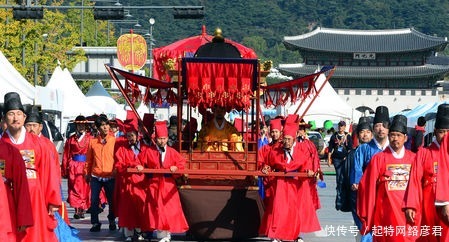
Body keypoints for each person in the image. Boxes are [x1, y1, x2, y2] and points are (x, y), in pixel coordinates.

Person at [1, 92, 61, 242]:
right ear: (4, 118)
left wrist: (52, 200)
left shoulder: (38, 144)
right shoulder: (1, 145)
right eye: (11, 114)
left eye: (19, 114)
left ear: (24, 117)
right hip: (6, 198)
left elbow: (48, 172)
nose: (15, 118)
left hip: (34, 197)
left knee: (34, 235)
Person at [357, 114, 418, 242]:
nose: (395, 138)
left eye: (399, 135)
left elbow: (418, 186)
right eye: (392, 135)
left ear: (405, 138)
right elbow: (366, 186)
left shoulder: (414, 159)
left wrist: (413, 205)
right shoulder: (379, 159)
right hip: (385, 210)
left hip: (407, 210)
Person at [262, 121, 318, 242]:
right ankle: (276, 235)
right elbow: (269, 163)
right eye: (285, 139)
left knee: (294, 212)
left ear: (294, 139)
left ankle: (295, 235)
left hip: (295, 184)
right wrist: (266, 168)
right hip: (281, 184)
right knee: (279, 210)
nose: (286, 142)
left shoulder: (301, 152)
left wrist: (308, 171)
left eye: (289, 139)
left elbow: (306, 164)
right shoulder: (275, 151)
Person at [137, 121, 189, 242]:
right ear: (156, 138)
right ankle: (162, 234)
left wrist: (176, 168)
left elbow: (181, 163)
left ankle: (167, 234)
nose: (162, 141)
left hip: (168, 184)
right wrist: (139, 166)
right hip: (154, 184)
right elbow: (138, 161)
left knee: (169, 210)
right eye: (160, 139)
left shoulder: (172, 151)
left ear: (167, 138)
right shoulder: (149, 151)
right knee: (156, 210)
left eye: (164, 138)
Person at [404, 104, 449, 242]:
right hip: (428, 203)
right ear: (435, 132)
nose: (445, 136)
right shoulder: (424, 153)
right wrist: (410, 205)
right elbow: (415, 180)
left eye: (448, 131)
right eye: (442, 132)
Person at [350, 106, 389, 242]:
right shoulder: (364, 149)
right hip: (370, 195)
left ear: (388, 128)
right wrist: (357, 183)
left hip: (390, 196)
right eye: (377, 125)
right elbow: (357, 169)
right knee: (369, 229)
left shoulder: (394, 147)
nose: (380, 129)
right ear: (374, 128)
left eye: (384, 125)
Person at [114, 120, 148, 241]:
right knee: (128, 208)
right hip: (128, 183)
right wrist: (131, 165)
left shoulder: (144, 147)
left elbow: (150, 161)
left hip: (141, 183)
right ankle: (128, 233)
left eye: (132, 136)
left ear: (137, 135)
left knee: (140, 206)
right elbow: (118, 164)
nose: (130, 138)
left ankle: (139, 231)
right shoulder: (122, 149)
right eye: (128, 136)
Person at [84, 115, 117, 232]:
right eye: (102, 125)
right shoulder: (93, 142)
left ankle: (112, 220)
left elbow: (117, 158)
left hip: (110, 175)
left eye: (107, 124)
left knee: (112, 200)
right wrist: (86, 173)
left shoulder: (114, 141)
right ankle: (95, 223)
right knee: (93, 200)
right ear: (98, 128)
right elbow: (89, 159)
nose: (106, 127)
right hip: (96, 175)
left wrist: (116, 170)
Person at [62, 115, 92, 219]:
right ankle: (76, 208)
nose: (80, 127)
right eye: (79, 125)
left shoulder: (90, 138)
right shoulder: (71, 139)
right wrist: (65, 168)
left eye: (82, 125)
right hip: (73, 165)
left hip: (85, 165)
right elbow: (66, 154)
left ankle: (82, 209)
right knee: (73, 187)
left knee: (84, 188)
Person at [258, 118, 283, 236]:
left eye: (276, 131)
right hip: (269, 182)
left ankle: (280, 232)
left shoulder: (284, 147)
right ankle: (272, 231)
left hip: (282, 181)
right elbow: (260, 160)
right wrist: (263, 167)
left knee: (281, 207)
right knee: (270, 207)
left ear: (281, 132)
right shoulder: (266, 148)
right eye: (272, 132)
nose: (274, 134)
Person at [328, 120, 353, 211]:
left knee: (343, 177)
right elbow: (330, 148)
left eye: (342, 126)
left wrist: (348, 157)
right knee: (339, 176)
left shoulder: (348, 136)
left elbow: (350, 148)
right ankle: (339, 197)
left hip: (345, 159)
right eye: (339, 126)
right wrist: (329, 158)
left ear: (345, 127)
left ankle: (342, 194)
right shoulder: (334, 136)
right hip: (336, 159)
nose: (341, 127)